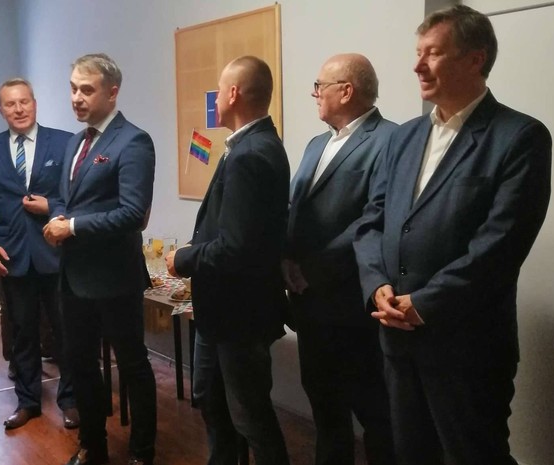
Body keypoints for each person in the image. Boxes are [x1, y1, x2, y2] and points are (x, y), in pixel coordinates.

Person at [353, 5, 552, 465]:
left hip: (467, 349)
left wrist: (424, 303)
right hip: (398, 343)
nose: (417, 66)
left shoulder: (519, 137)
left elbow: (500, 246)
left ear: (475, 59)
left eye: (433, 53)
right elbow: (371, 221)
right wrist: (376, 285)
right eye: (417, 53)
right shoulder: (403, 138)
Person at [165, 56, 290, 465]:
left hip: (240, 316)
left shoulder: (251, 153)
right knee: (212, 402)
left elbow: (237, 247)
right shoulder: (245, 146)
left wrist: (184, 258)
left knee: (250, 417)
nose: (215, 99)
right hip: (221, 313)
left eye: (219, 90)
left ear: (233, 94)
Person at [284, 54, 397, 465]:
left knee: (375, 414)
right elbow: (296, 209)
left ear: (346, 90)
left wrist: (311, 270)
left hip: (351, 307)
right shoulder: (317, 144)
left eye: (320, 85)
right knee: (325, 410)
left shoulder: (391, 140)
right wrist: (286, 259)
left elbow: (376, 219)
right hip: (309, 304)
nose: (314, 94)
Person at [43, 53, 156, 465]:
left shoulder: (133, 141)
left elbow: (133, 213)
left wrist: (71, 227)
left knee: (132, 365)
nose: (76, 97)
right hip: (73, 277)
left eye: (86, 90)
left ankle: (142, 451)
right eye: (73, 88)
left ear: (112, 92)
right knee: (81, 365)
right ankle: (93, 445)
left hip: (115, 277)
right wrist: (59, 216)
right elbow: (67, 198)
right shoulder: (76, 142)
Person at [0, 77, 76, 430]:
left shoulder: (63, 142)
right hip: (12, 256)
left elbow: (77, 197)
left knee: (66, 332)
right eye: (10, 104)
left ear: (34, 103)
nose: (18, 109)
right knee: (23, 334)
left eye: (24, 101)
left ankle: (71, 400)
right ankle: (28, 401)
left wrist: (52, 207)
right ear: (1, 110)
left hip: (55, 253)